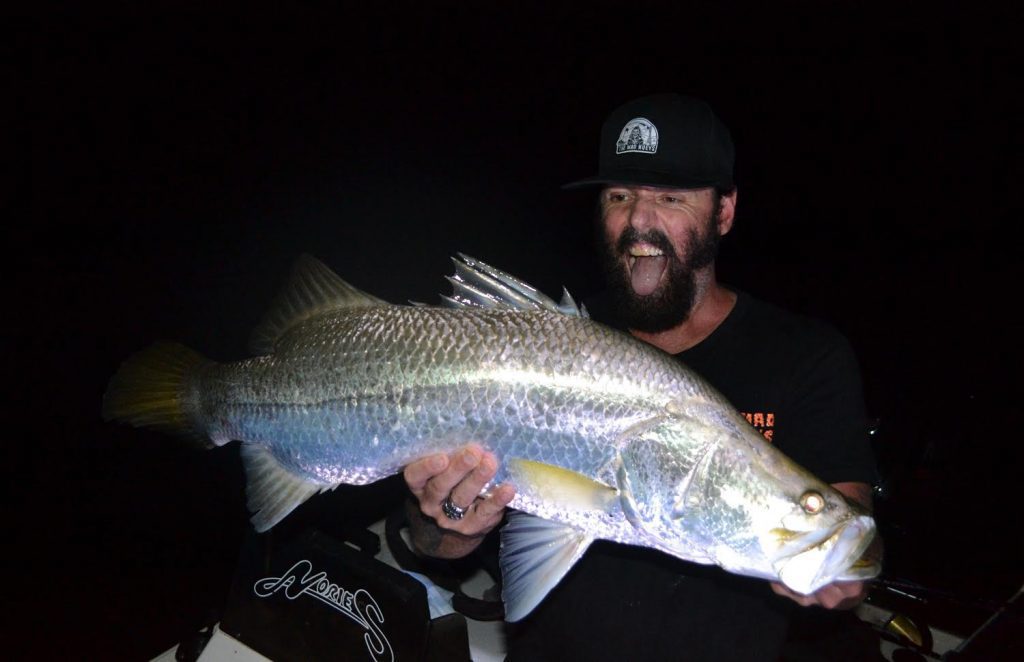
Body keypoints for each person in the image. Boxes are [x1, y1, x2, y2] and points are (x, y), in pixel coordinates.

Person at [402, 93, 881, 660]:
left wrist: (841, 574)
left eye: (671, 197)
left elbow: (851, 531)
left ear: (723, 211)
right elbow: (430, 540)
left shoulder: (805, 357)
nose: (638, 221)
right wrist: (453, 521)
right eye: (621, 195)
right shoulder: (532, 346)